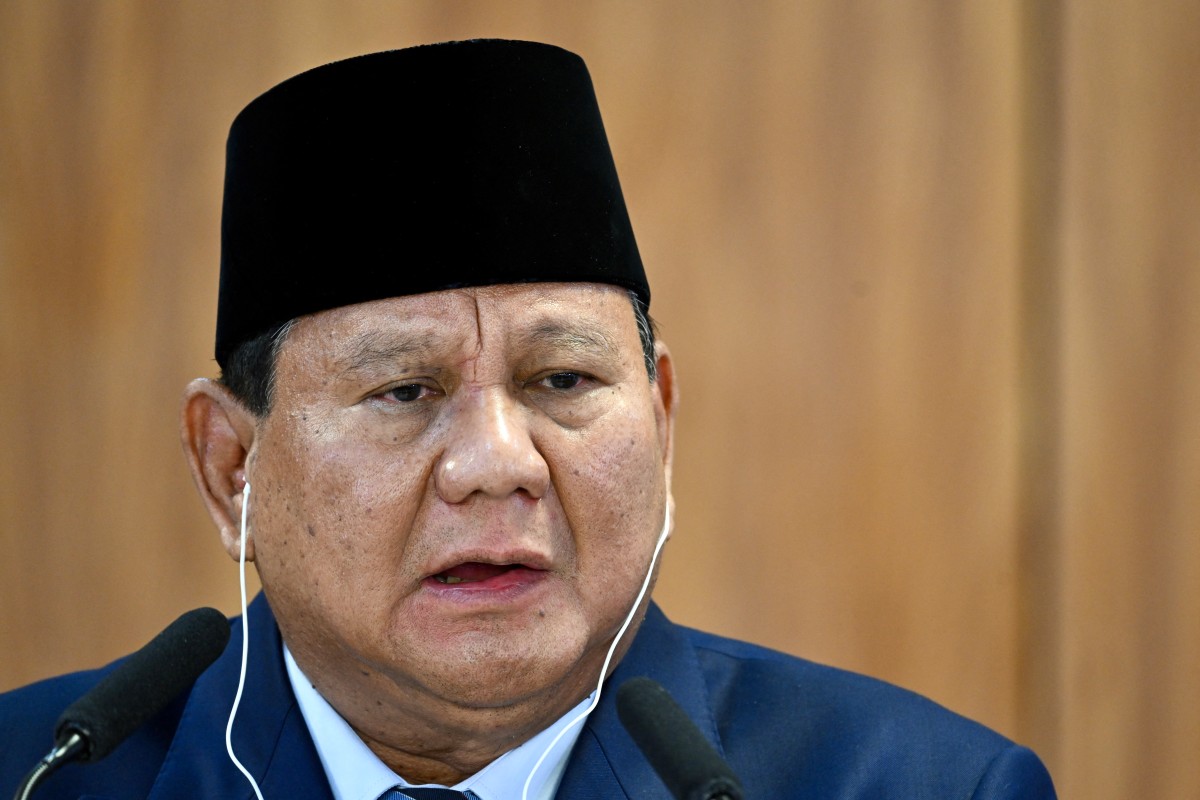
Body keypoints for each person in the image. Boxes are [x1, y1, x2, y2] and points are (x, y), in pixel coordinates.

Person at [0, 40, 1056, 799]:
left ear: (663, 421)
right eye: (403, 391)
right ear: (233, 465)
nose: (498, 465)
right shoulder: (42, 774)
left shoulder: (921, 784)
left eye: (561, 381)